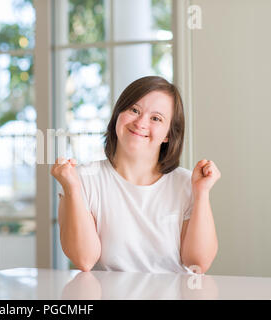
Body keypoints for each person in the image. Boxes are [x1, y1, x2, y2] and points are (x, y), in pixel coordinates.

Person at [51, 76, 220, 275]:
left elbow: (197, 263)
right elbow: (84, 259)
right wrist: (72, 190)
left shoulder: (185, 183)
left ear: (168, 135)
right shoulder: (82, 179)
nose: (140, 122)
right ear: (118, 115)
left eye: (156, 118)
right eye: (134, 110)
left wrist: (201, 193)